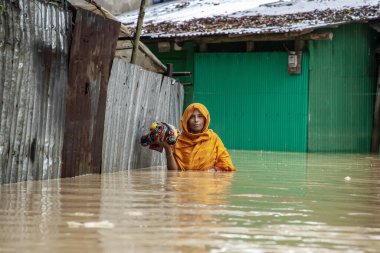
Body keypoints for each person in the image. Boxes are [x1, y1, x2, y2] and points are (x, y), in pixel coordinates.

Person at [157, 103, 236, 171]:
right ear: (186, 120)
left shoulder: (213, 138)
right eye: (192, 117)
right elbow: (174, 172)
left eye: (200, 116)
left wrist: (213, 171)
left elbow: (226, 166)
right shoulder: (178, 140)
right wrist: (167, 149)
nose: (196, 120)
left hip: (207, 186)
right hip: (185, 186)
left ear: (205, 119)